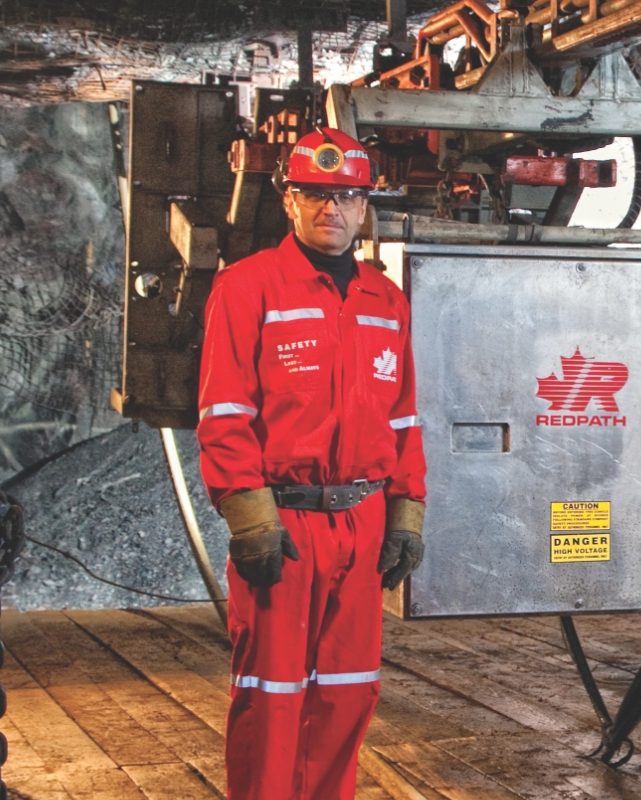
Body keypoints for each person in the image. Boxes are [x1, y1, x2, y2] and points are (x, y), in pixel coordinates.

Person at [196, 127, 427, 800]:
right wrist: (250, 522)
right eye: (315, 194)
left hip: (360, 525)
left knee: (348, 695)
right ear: (288, 200)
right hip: (286, 527)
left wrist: (406, 512)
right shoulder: (247, 289)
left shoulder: (386, 302)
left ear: (365, 207)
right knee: (271, 698)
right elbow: (225, 416)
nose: (332, 210)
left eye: (347, 196)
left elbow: (404, 418)